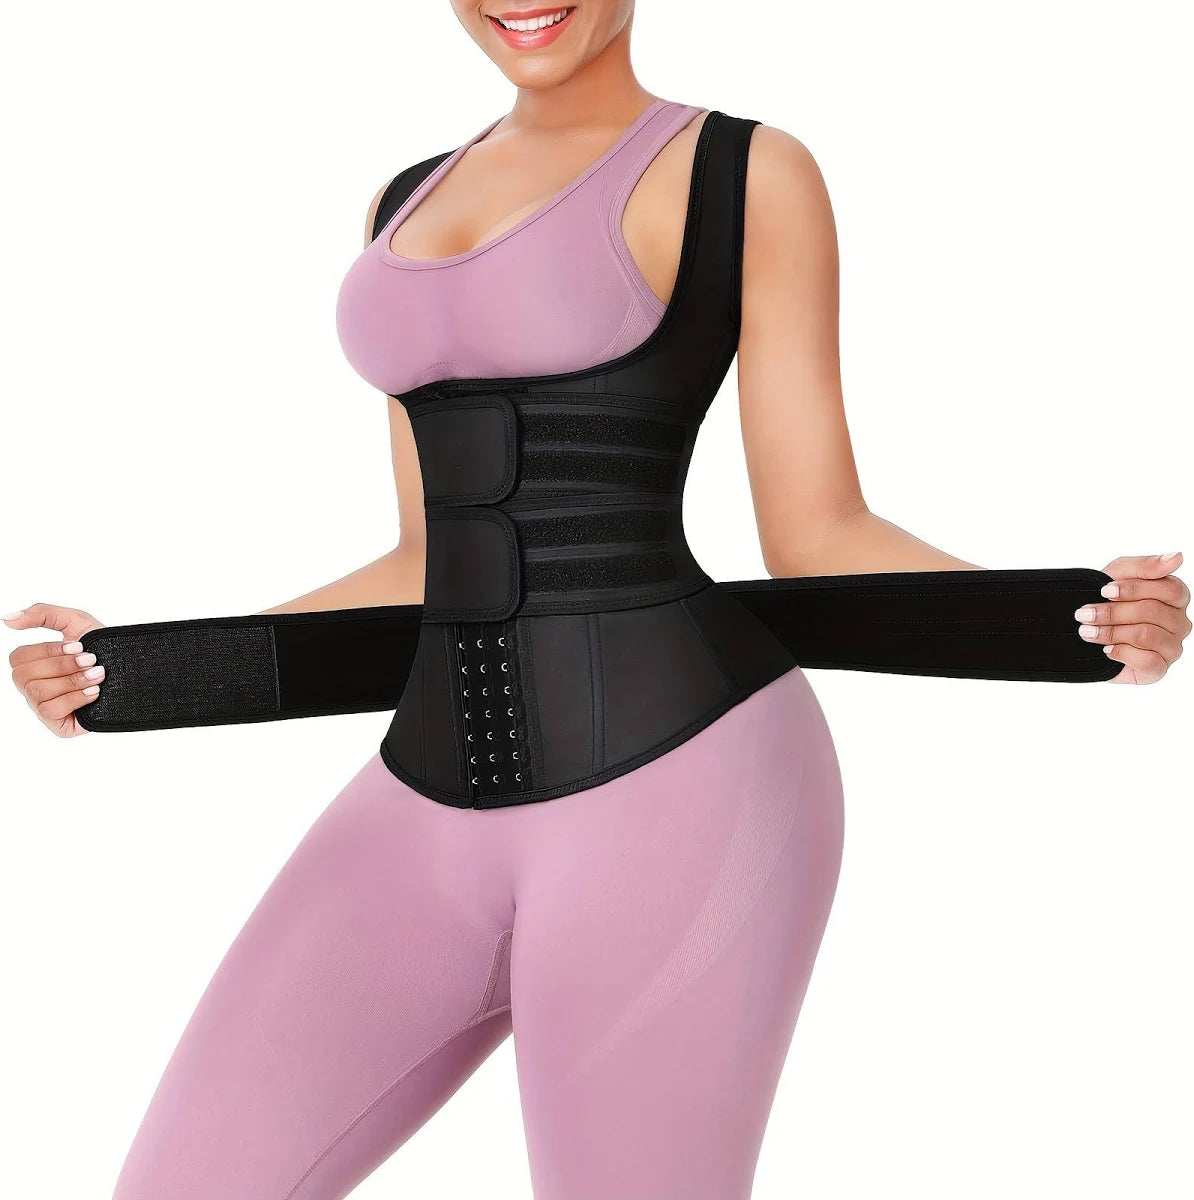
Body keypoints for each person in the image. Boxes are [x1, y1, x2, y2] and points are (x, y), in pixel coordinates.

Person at [4, 3, 1189, 1198]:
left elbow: (818, 533)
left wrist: (1079, 622)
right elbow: (428, 561)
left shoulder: (742, 171)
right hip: (423, 799)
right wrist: (139, 672)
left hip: (684, 781)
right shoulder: (403, 200)